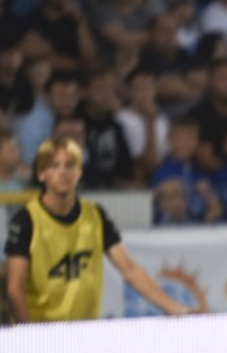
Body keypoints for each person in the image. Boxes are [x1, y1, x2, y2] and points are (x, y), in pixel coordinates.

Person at [4, 136, 189, 323]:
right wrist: (28, 333)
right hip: (41, 331)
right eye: (54, 166)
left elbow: (130, 269)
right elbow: (14, 288)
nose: (63, 172)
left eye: (70, 165)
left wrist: (177, 310)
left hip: (85, 331)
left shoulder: (95, 216)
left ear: (79, 172)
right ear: (41, 174)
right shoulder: (26, 220)